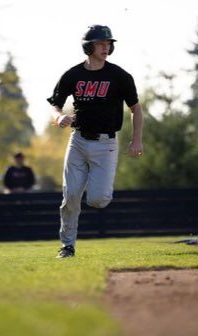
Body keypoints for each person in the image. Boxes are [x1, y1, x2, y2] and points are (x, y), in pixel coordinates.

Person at [47, 24, 143, 258]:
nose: (106, 47)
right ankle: (67, 245)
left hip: (106, 143)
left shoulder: (120, 76)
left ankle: (95, 185)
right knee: (70, 196)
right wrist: (59, 117)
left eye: (108, 43)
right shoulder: (73, 75)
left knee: (98, 200)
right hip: (78, 142)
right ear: (88, 46)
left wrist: (136, 140)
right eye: (101, 43)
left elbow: (136, 109)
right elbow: (54, 103)